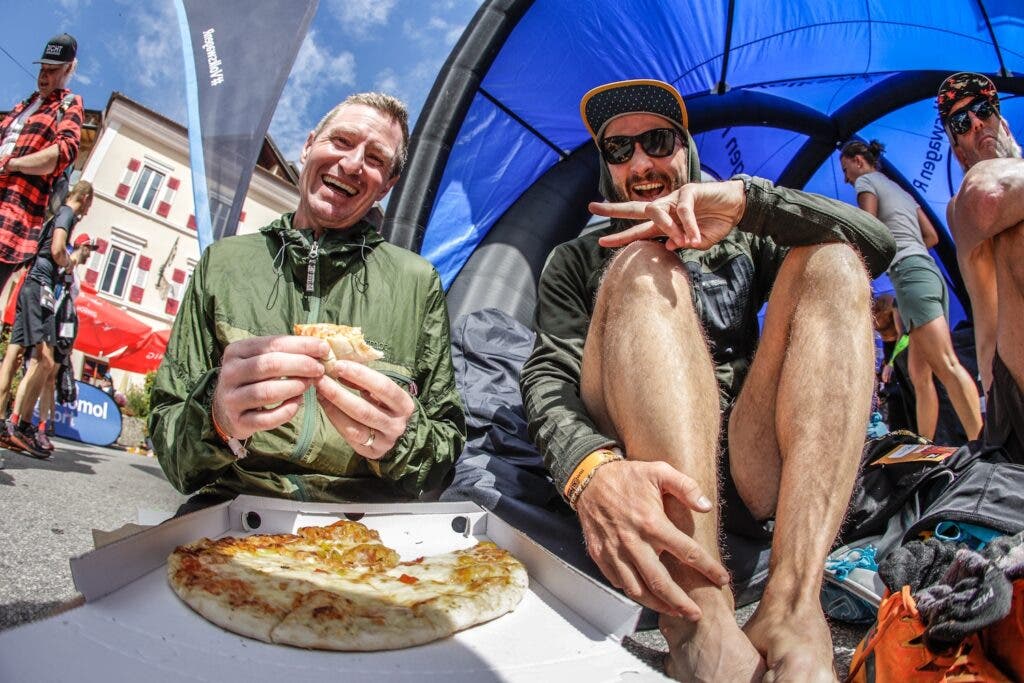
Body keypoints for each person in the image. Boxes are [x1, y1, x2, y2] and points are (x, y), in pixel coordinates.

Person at [520, 79, 895, 681]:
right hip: (642, 446)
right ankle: (699, 619)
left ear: (686, 150)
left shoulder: (743, 234)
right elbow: (548, 374)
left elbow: (876, 244)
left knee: (834, 259)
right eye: (620, 151)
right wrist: (586, 467)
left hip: (747, 459)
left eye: (657, 141)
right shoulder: (575, 259)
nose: (641, 163)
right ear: (606, 168)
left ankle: (794, 610)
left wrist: (749, 203)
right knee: (642, 259)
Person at [149, 93, 465, 507]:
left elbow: (445, 448)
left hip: (363, 523)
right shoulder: (222, 264)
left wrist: (402, 441)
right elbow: (172, 448)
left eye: (375, 159)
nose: (352, 164)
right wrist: (216, 420)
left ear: (387, 186)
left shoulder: (418, 282)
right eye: (341, 141)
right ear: (308, 145)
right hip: (233, 507)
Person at [840, 139, 981, 441]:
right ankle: (925, 448)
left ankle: (983, 444)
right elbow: (931, 236)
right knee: (920, 375)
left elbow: (868, 227)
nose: (845, 177)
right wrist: (909, 247)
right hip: (928, 273)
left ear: (858, 161)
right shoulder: (902, 191)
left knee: (946, 364)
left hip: (911, 277)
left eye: (845, 168)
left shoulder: (866, 181)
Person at [939, 72, 1024, 459]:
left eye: (983, 110)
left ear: (1002, 122)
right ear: (959, 151)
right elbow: (988, 197)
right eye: (961, 123)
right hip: (1013, 405)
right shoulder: (964, 203)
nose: (976, 123)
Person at [1, 180, 92, 458]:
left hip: (31, 285)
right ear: (85, 197)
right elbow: (56, 250)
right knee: (45, 361)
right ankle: (22, 425)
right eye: (89, 204)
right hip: (40, 287)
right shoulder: (66, 213)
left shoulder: (57, 214)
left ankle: (13, 426)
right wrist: (71, 259)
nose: (88, 211)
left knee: (14, 360)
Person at [0, 33, 83, 297]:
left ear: (68, 68)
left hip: (10, 217)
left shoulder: (69, 105)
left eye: (52, 70)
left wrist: (12, 164)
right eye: (42, 69)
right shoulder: (21, 106)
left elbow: (62, 153)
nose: (43, 76)